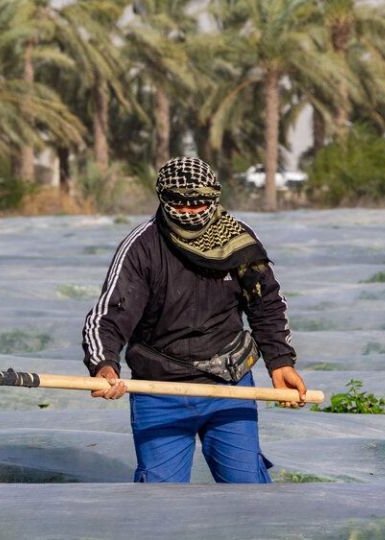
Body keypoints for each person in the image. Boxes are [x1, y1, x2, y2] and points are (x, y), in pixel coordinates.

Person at [81, 156, 308, 484]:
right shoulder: (142, 247)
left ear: (213, 197)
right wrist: (104, 364)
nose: (189, 211)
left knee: (248, 491)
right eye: (179, 202)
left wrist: (281, 362)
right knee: (160, 497)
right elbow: (110, 314)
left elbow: (267, 303)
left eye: (198, 202)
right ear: (163, 198)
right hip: (160, 389)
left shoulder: (238, 241)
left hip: (230, 386)